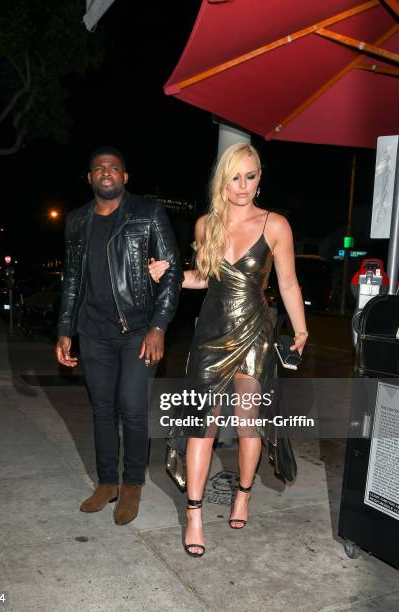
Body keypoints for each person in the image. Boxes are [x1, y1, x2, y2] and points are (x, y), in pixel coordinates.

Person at [149, 143, 307, 557]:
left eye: (250, 176)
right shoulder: (206, 225)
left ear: (260, 177)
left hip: (255, 333)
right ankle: (195, 515)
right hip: (211, 335)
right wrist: (169, 276)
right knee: (203, 424)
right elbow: (205, 278)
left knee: (247, 424)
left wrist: (302, 331)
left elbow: (288, 283)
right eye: (235, 176)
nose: (243, 185)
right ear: (223, 178)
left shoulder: (275, 225)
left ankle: (243, 493)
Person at [55, 146, 183, 525]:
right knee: (102, 410)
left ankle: (132, 485)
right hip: (92, 332)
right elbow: (73, 279)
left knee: (132, 407)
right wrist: (65, 329)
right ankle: (107, 481)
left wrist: (159, 325)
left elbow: (172, 272)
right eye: (98, 168)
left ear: (125, 177)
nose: (105, 172)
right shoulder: (77, 220)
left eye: (113, 168)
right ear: (89, 177)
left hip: (138, 330)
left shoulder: (147, 213)